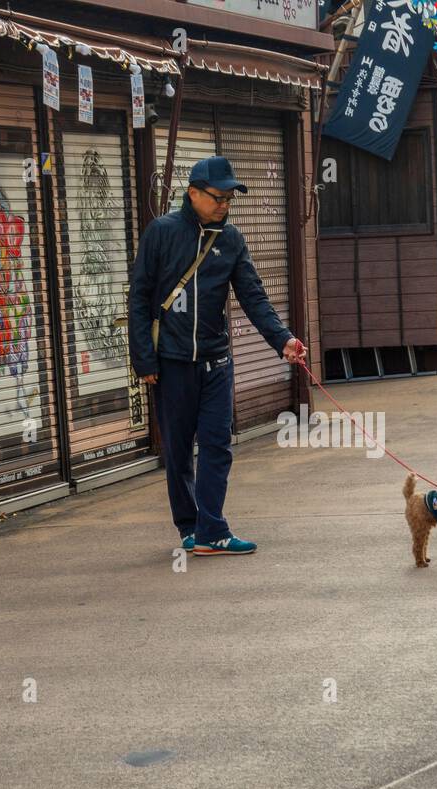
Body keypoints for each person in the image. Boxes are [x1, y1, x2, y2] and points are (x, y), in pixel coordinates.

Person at [129, 155, 306, 556]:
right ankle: (189, 527)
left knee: (216, 445)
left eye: (230, 198)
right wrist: (144, 359)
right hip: (171, 364)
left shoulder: (231, 240)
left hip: (216, 362)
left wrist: (283, 340)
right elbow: (139, 298)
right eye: (218, 197)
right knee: (178, 450)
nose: (225, 205)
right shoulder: (161, 233)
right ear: (192, 194)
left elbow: (253, 296)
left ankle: (212, 529)